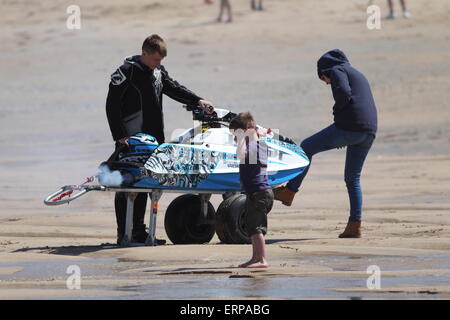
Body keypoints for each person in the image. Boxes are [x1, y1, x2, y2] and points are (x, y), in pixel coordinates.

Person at [105, 34, 215, 245]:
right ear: (144, 53)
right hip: (131, 139)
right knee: (128, 184)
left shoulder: (158, 71)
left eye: (160, 61)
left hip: (154, 139)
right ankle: (125, 233)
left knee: (147, 183)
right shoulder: (126, 72)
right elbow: (112, 106)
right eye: (155, 59)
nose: (158, 63)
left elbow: (174, 88)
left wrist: (198, 100)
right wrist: (119, 137)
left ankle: (139, 231)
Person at [273, 49, 377, 239]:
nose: (326, 83)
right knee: (352, 178)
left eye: (324, 80)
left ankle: (289, 191)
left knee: (305, 147)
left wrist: (337, 111)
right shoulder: (355, 72)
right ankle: (355, 226)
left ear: (324, 71)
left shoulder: (337, 70)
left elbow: (344, 93)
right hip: (368, 131)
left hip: (350, 126)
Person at [229, 113, 274, 268]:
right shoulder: (257, 144)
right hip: (256, 193)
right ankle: (255, 258)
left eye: (236, 136)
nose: (235, 140)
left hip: (259, 193)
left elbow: (240, 153)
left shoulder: (256, 146)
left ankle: (261, 259)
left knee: (256, 228)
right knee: (251, 227)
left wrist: (245, 136)